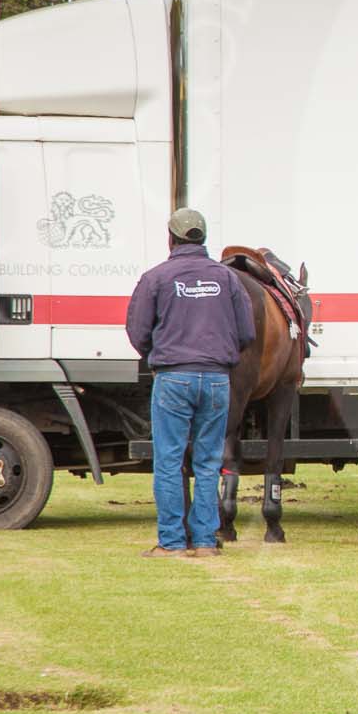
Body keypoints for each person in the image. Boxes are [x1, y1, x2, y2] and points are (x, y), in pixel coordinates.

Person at [125, 208, 254, 558]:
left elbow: (137, 332)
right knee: (208, 462)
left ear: (171, 237)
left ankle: (172, 543)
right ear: (203, 237)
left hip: (173, 378)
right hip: (216, 380)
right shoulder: (227, 280)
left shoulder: (156, 278)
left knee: (168, 461)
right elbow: (246, 332)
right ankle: (205, 541)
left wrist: (162, 353)